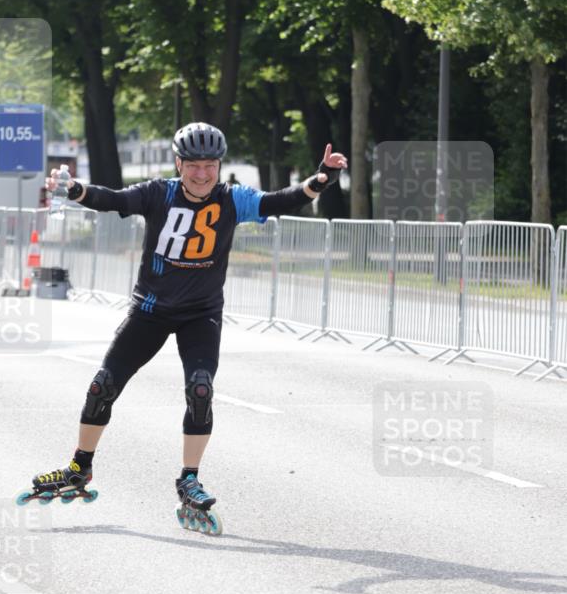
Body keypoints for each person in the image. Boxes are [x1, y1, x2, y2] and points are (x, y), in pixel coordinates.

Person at [29, 122, 347, 531]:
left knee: (200, 388)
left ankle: (189, 479)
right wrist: (75, 190)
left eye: (210, 165)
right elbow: (113, 199)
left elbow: (277, 201)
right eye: (193, 165)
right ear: (179, 163)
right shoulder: (158, 193)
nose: (201, 174)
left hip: (201, 312)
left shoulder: (234, 199)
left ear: (219, 165)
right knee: (102, 385)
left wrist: (319, 182)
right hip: (150, 310)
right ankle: (78, 467)